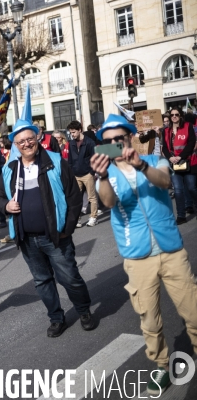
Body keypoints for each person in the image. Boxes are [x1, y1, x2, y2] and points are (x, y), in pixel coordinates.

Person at [90, 114, 197, 396]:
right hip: (137, 255)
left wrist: (139, 165)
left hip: (171, 249)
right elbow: (109, 201)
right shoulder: (106, 173)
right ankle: (161, 366)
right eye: (108, 141)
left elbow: (164, 181)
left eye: (119, 138)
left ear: (130, 137)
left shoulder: (152, 160)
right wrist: (101, 176)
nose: (115, 144)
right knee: (149, 319)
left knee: (194, 312)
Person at [0, 115, 95, 338]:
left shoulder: (55, 160)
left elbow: (74, 197)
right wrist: (5, 206)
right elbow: (0, 196)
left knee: (69, 277)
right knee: (42, 281)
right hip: (27, 239)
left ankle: (83, 311)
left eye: (30, 139)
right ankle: (56, 318)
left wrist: (67, 228)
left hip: (56, 236)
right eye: (21, 142)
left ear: (38, 138)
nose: (26, 144)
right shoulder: (10, 168)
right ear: (16, 145)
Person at [162, 107, 197, 224]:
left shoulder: (188, 126)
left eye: (176, 114)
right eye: (172, 115)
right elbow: (165, 148)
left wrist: (180, 156)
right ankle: (181, 215)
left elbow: (191, 143)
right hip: (174, 164)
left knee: (191, 188)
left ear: (181, 115)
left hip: (188, 162)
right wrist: (170, 157)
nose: (174, 117)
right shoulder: (166, 130)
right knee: (178, 190)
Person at [67, 120, 99, 227]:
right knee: (76, 198)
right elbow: (70, 160)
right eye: (70, 133)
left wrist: (92, 172)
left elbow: (95, 158)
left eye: (73, 132)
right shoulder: (71, 143)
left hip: (87, 174)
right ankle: (78, 219)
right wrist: (71, 172)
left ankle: (93, 218)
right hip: (76, 174)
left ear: (79, 130)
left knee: (91, 197)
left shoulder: (89, 142)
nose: (72, 135)